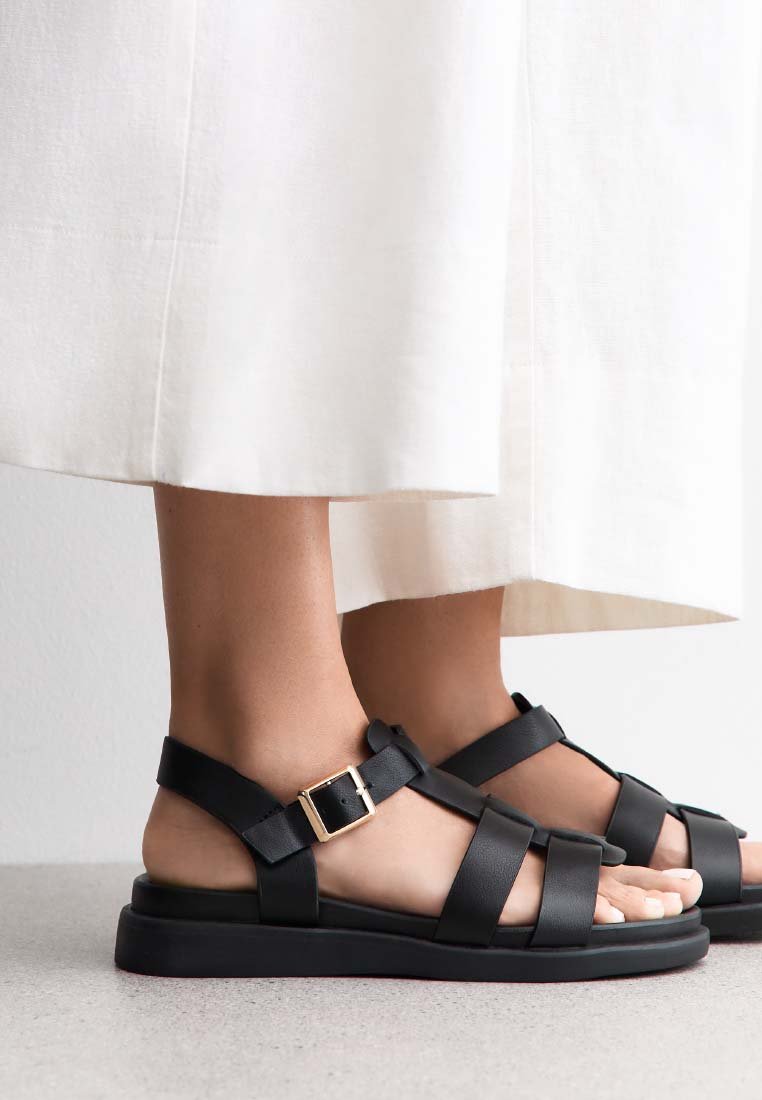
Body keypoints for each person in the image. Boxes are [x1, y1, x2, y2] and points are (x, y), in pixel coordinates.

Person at [1, 4, 759, 979]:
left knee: (480, 59)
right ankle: (264, 751)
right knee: (294, 45)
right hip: (265, 798)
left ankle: (435, 706)